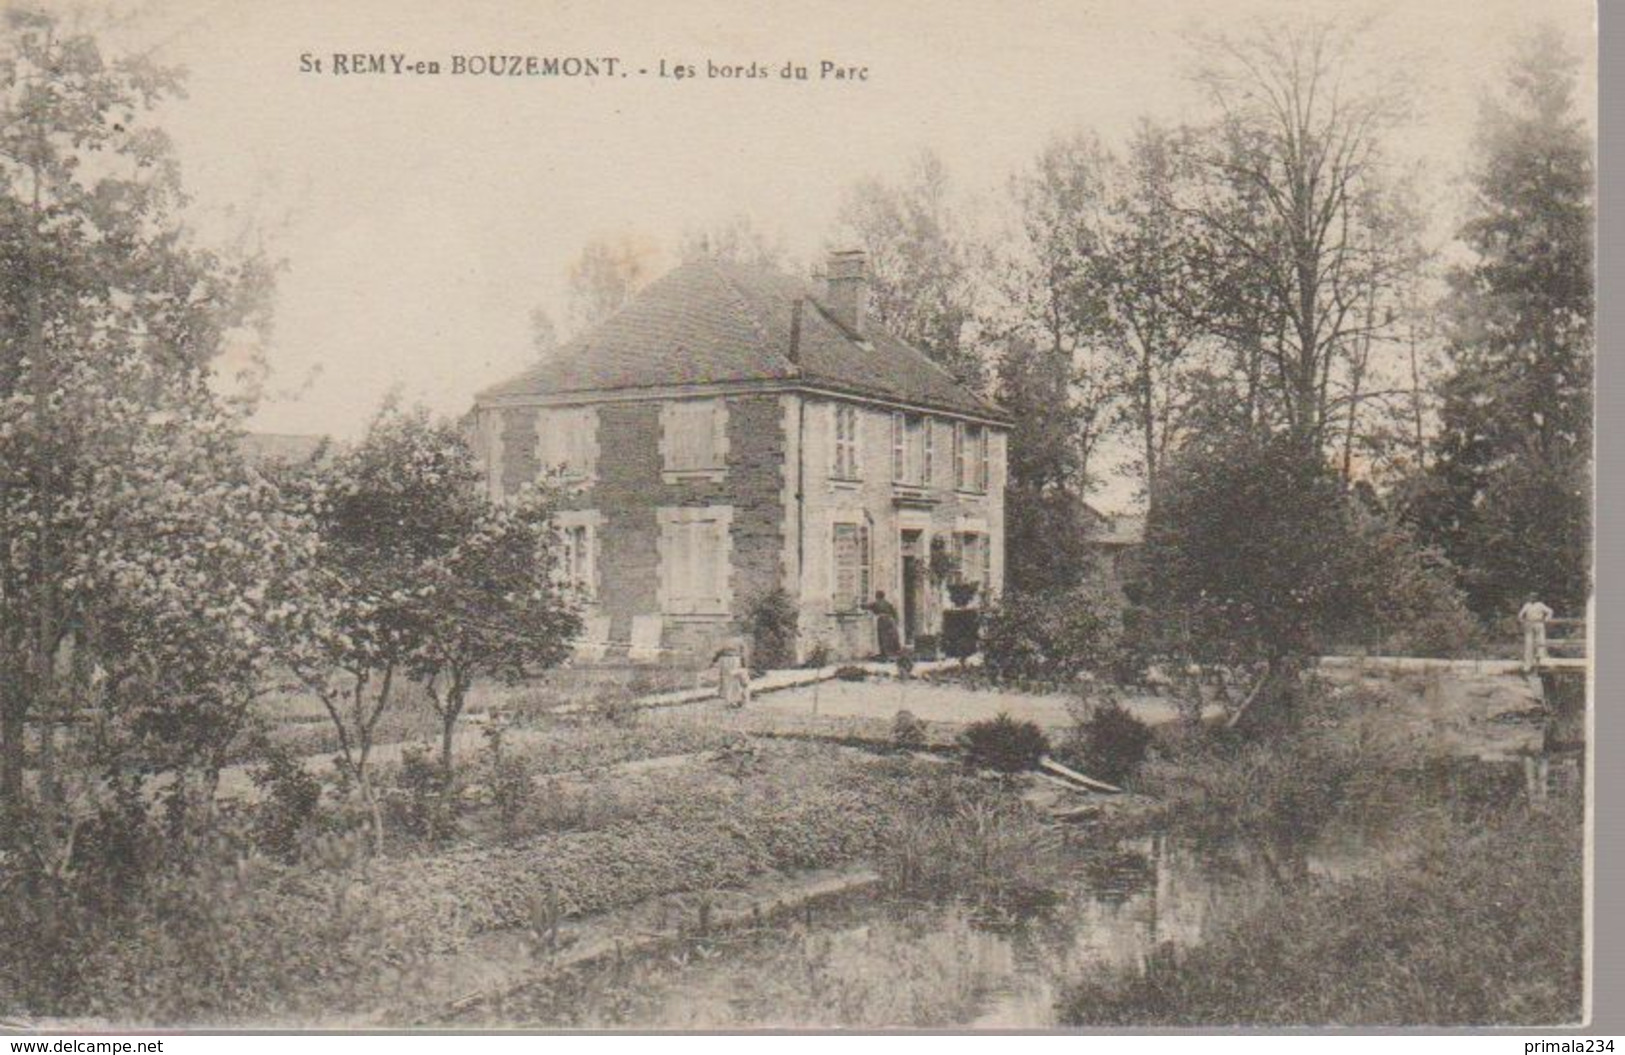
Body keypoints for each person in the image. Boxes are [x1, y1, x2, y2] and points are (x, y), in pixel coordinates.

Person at [712, 639, 752, 708]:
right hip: (733, 661)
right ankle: (733, 701)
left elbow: (718, 653)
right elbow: (743, 655)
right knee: (733, 682)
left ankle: (732, 701)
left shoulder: (726, 646)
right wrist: (744, 666)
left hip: (726, 661)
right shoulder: (739, 643)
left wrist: (714, 661)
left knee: (728, 682)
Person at [1518, 595, 1554, 670]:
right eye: (1531, 597)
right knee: (1529, 643)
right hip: (1529, 624)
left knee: (1540, 641)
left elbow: (1550, 611)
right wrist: (1522, 621)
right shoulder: (1527, 605)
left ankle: (1541, 660)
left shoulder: (1540, 604)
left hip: (1539, 623)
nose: (1532, 598)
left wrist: (1547, 619)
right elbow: (1520, 614)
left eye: (1534, 597)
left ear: (1536, 598)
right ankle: (1527, 664)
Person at [865, 591, 901, 660]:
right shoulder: (887, 603)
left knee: (883, 637)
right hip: (890, 620)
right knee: (891, 636)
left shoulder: (876, 603)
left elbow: (867, 606)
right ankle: (891, 652)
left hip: (883, 620)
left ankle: (885, 653)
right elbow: (894, 612)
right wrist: (896, 621)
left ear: (877, 596)